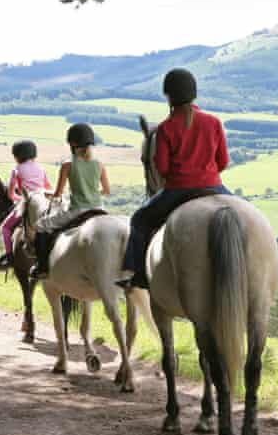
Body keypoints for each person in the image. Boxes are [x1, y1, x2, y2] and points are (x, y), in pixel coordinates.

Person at [116, 68, 230, 289]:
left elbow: (163, 168)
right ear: (194, 93)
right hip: (214, 187)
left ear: (168, 96)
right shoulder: (214, 122)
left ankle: (139, 276)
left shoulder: (166, 129)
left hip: (178, 190)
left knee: (139, 220)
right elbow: (223, 162)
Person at [29, 123, 110, 280]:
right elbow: (106, 191)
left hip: (78, 210)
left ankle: (42, 267)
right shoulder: (99, 164)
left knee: (39, 226)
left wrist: (47, 193)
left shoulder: (68, 164)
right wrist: (92, 193)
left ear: (72, 143)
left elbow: (58, 194)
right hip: (100, 209)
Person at [0, 140, 52, 270]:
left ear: (17, 156)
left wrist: (19, 198)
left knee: (5, 228)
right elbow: (48, 187)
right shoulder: (41, 169)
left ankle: (10, 258)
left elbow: (10, 194)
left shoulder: (16, 170)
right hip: (43, 202)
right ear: (34, 154)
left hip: (27, 202)